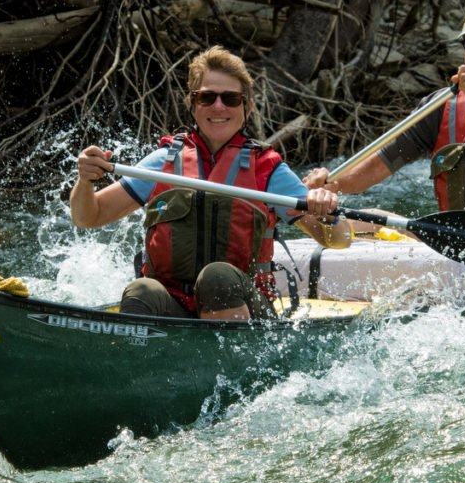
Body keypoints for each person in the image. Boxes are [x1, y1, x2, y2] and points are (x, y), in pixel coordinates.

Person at [70, 46, 352, 321]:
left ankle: (227, 363)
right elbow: (88, 217)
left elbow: (339, 240)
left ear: (247, 106)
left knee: (217, 277)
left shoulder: (268, 170)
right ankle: (140, 362)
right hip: (175, 307)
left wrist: (328, 214)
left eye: (230, 98)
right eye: (207, 97)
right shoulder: (162, 163)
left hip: (246, 311)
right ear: (193, 105)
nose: (219, 106)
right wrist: (85, 181)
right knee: (141, 290)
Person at [305, 6, 465, 226]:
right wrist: (331, 184)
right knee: (368, 219)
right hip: (459, 244)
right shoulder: (441, 105)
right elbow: (378, 165)